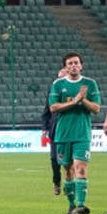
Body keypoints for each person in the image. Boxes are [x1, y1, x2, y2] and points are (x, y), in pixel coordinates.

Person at [48, 52, 101, 214]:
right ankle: (71, 205)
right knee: (68, 170)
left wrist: (83, 100)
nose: (73, 66)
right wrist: (74, 101)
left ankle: (81, 205)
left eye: (76, 63)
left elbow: (96, 109)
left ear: (81, 65)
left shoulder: (90, 84)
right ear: (65, 66)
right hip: (63, 134)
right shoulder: (58, 84)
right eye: (70, 63)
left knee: (81, 168)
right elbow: (53, 108)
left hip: (82, 134)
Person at [42, 68, 67, 196]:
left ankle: (69, 185)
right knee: (54, 159)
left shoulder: (71, 93)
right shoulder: (52, 92)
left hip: (69, 130)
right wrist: (44, 129)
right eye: (58, 78)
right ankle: (57, 183)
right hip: (55, 130)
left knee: (70, 161)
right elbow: (46, 111)